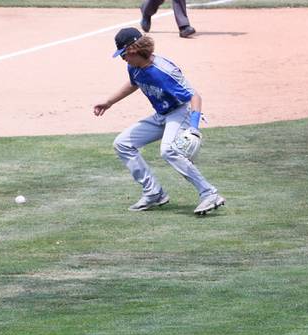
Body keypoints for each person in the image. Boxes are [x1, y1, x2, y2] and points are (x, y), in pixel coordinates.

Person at [93, 28, 224, 216]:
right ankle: (153, 193)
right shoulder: (134, 67)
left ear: (134, 50)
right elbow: (134, 83)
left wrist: (194, 128)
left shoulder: (164, 71)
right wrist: (109, 102)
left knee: (168, 150)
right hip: (162, 114)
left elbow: (195, 96)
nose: (123, 59)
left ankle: (209, 193)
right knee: (123, 143)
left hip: (181, 112)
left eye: (123, 54)